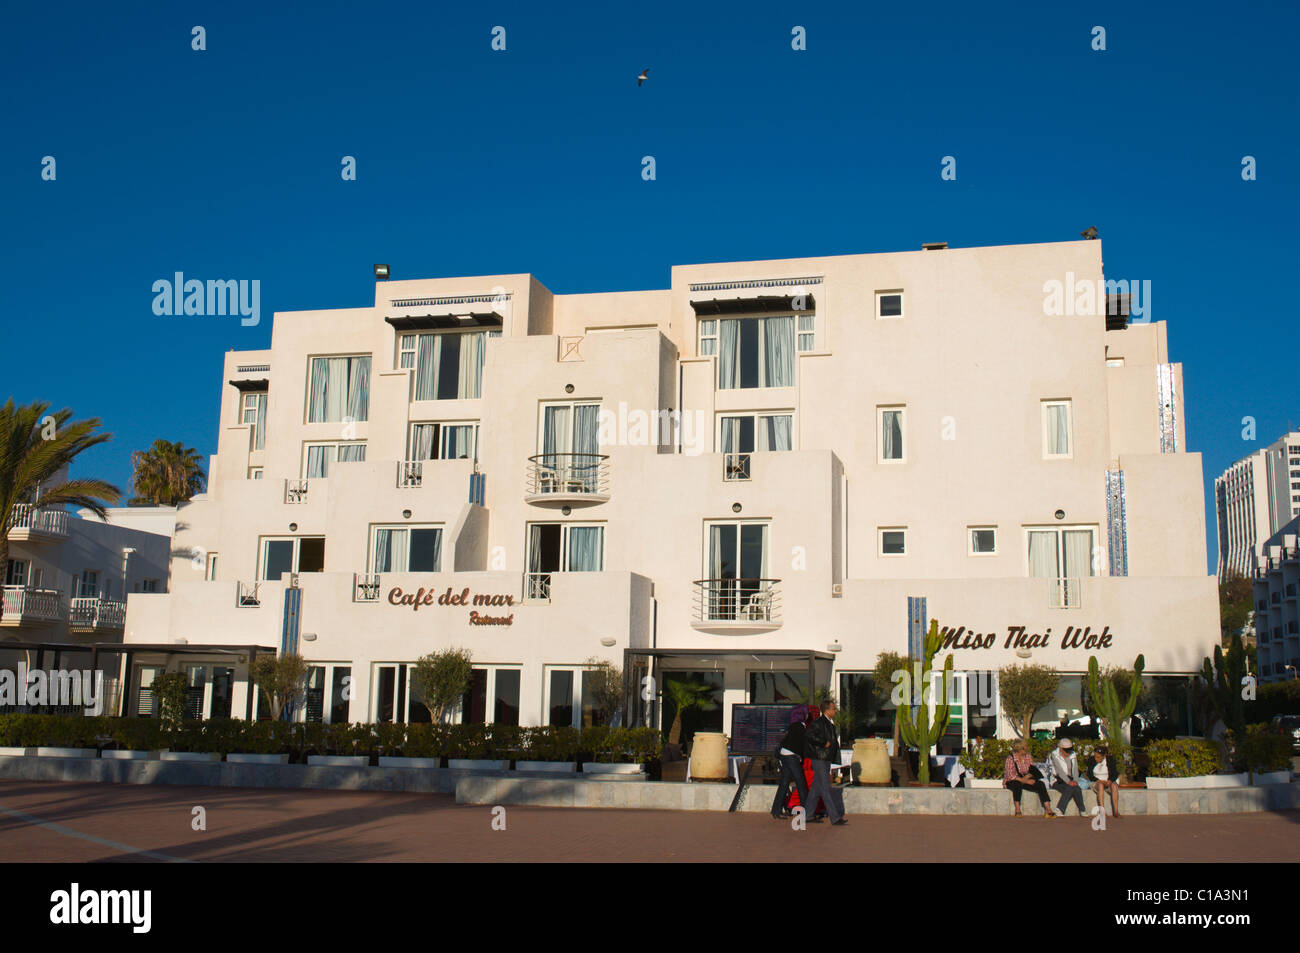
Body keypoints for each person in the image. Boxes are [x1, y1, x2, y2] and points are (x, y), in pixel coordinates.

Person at [804, 701, 847, 825]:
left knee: (816, 788)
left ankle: (808, 814)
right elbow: (809, 736)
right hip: (819, 758)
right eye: (833, 708)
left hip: (825, 758)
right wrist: (823, 743)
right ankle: (835, 817)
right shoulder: (819, 723)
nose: (835, 711)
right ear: (827, 710)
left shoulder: (829, 723)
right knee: (826, 787)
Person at [771, 705, 810, 819]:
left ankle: (776, 811)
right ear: (802, 715)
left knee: (784, 783)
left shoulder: (793, 725)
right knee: (801, 783)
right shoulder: (801, 727)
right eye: (806, 713)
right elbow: (802, 745)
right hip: (791, 756)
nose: (808, 715)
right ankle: (807, 813)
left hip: (785, 754)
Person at [1004, 740, 1055, 817]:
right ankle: (1017, 809)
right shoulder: (1010, 758)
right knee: (1017, 785)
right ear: (1020, 749)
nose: (1027, 749)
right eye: (1025, 747)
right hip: (1013, 780)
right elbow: (1010, 775)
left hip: (1025, 778)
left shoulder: (1028, 757)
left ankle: (1048, 809)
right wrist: (1024, 781)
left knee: (1040, 784)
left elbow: (1032, 770)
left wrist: (1027, 778)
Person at [1047, 738, 1086, 816]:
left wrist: (1075, 780)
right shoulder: (1054, 754)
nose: (1069, 753)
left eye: (1070, 750)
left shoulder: (1073, 754)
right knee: (1070, 788)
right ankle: (1059, 809)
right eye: (1066, 750)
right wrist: (1068, 782)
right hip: (1057, 780)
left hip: (1070, 779)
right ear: (1061, 749)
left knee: (1077, 788)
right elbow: (1059, 771)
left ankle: (1082, 810)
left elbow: (1075, 769)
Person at [1087, 744, 1122, 817]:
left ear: (1103, 756)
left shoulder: (1110, 760)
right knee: (1100, 786)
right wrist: (1099, 781)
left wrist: (1110, 780)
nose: (1096, 758)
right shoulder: (1091, 760)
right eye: (1095, 756)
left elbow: (1114, 773)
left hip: (1107, 781)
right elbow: (1089, 774)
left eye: (1098, 757)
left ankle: (1116, 811)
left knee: (1114, 786)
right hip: (1096, 782)